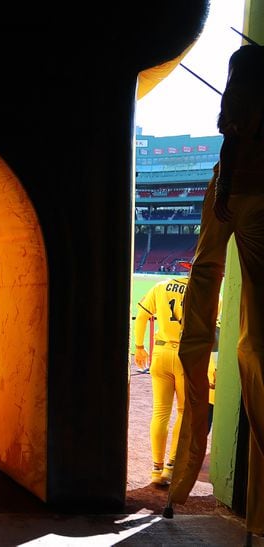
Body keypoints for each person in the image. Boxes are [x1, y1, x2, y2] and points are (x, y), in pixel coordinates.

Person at [167, 44, 264, 543]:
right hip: (263, 198)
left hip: (233, 192)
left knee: (198, 321)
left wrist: (224, 191)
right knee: (256, 342)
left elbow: (230, 141)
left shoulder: (244, 80)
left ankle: (183, 474)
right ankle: (259, 514)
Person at [133, 275, 188, 485]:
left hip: (161, 353)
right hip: (187, 356)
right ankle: (170, 468)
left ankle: (156, 469)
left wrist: (139, 347)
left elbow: (141, 316)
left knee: (160, 412)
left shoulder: (161, 286)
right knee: (184, 411)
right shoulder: (207, 292)